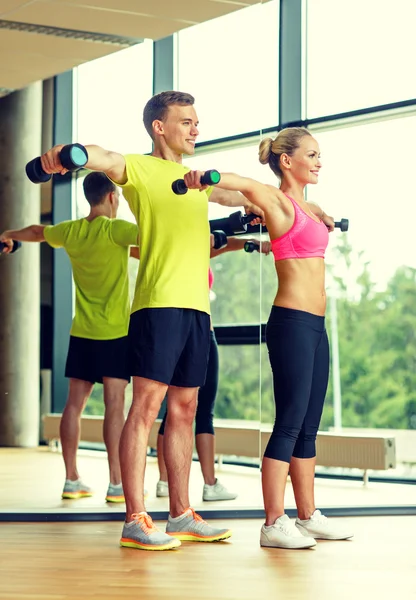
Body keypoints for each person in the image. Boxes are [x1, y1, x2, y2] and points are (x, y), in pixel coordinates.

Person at [37, 91, 260, 551]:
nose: (195, 128)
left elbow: (236, 192)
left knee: (185, 410)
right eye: (186, 121)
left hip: (198, 308)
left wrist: (268, 205)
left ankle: (180, 514)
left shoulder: (194, 178)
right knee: (145, 409)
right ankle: (135, 517)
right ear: (160, 127)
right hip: (158, 305)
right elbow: (105, 158)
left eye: (197, 121)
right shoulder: (139, 169)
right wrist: (69, 156)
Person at [183, 126, 354, 549]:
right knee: (290, 423)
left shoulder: (307, 206)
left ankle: (308, 514)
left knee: (309, 426)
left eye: (319, 155)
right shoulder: (275, 201)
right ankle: (273, 522)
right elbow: (238, 185)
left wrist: (323, 215)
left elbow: (315, 214)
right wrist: (207, 177)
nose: (318, 161)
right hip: (291, 323)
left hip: (316, 326)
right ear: (287, 160)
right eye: (311, 155)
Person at [0, 172, 139, 504]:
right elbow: (153, 235)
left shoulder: (72, 231)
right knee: (115, 408)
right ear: (110, 198)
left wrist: (8, 233)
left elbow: (36, 232)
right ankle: (117, 484)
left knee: (73, 406)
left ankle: (71, 478)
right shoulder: (116, 229)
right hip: (115, 333)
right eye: (118, 198)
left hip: (82, 333)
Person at [156, 236, 272, 502]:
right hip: (200, 333)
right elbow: (221, 242)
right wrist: (252, 243)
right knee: (201, 410)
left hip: (173, 333)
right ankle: (209, 484)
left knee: (173, 411)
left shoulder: (174, 246)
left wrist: (252, 243)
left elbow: (222, 242)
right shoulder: (190, 244)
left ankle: (164, 481)